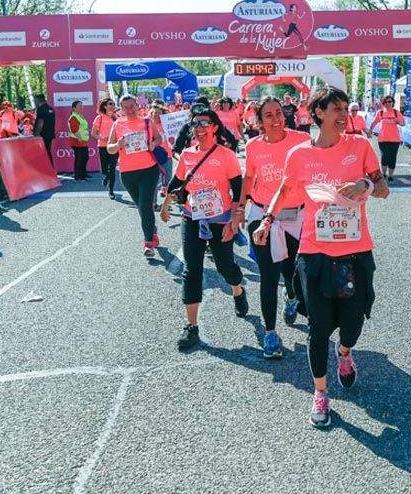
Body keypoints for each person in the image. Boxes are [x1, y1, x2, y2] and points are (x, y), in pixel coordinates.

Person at [253, 87, 389, 428]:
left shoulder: (359, 147)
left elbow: (383, 187)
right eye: (336, 109)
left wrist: (367, 187)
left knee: (353, 322)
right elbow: (284, 191)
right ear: (317, 113)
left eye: (345, 108)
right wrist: (266, 221)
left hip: (355, 251)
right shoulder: (299, 155)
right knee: (317, 329)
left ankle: (344, 353)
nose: (344, 115)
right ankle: (321, 392)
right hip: (314, 252)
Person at [159, 108, 248, 351]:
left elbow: (239, 188)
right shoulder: (187, 154)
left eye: (204, 123)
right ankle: (192, 327)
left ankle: (238, 289)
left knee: (225, 266)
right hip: (192, 217)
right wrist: (165, 206)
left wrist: (235, 218)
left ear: (215, 127)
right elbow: (176, 183)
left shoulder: (226, 155)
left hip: (220, 218)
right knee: (192, 269)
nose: (199, 128)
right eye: (195, 124)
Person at [238, 97, 311, 358]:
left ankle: (292, 298)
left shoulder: (301, 140)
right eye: (268, 115)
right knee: (269, 274)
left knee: (292, 270)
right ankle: (270, 333)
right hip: (262, 214)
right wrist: (239, 209)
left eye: (278, 112)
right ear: (259, 120)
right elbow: (249, 177)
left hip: (296, 216)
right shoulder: (253, 146)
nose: (275, 118)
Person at [107, 94, 164, 258]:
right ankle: (151, 230)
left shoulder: (147, 121)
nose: (129, 110)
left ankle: (148, 243)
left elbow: (159, 138)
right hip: (127, 173)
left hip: (148, 170)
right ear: (121, 109)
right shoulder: (117, 124)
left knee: (145, 205)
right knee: (141, 206)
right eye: (125, 107)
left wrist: (153, 144)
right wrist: (117, 145)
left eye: (132, 106)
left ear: (137, 106)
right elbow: (110, 148)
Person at [369, 95, 405, 182]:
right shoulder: (380, 113)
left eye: (389, 101)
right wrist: (370, 131)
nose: (388, 103)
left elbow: (403, 123)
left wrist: (398, 122)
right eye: (385, 102)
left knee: (392, 158)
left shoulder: (396, 113)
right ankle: (384, 174)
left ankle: (391, 175)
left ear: (393, 103)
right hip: (383, 139)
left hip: (395, 139)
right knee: (385, 157)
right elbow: (374, 122)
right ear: (383, 103)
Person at [92, 99, 118, 197]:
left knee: (112, 169)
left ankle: (111, 191)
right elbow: (93, 133)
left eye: (113, 104)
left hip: (114, 146)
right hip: (102, 146)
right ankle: (106, 177)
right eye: (110, 104)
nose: (112, 105)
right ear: (105, 106)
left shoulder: (116, 118)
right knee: (103, 169)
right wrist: (102, 138)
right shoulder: (99, 118)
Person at [67, 100, 91, 181]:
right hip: (77, 141)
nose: (82, 107)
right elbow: (74, 129)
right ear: (74, 108)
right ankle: (78, 176)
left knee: (85, 158)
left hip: (83, 141)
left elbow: (83, 127)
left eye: (82, 105)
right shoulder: (73, 117)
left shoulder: (80, 115)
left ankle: (83, 173)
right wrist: (79, 138)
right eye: (80, 106)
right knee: (80, 158)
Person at [33, 93, 56, 163]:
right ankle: (51, 168)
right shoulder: (51, 109)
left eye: (35, 100)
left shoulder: (41, 109)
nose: (35, 102)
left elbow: (40, 122)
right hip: (50, 133)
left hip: (43, 134)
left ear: (39, 100)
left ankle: (48, 168)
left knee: (44, 152)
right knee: (48, 151)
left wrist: (36, 134)